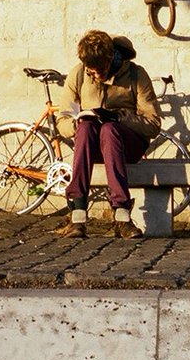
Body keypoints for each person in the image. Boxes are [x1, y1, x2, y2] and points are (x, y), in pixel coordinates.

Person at [54, 31, 161, 238]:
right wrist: (76, 125)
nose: (96, 76)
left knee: (110, 129)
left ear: (112, 58)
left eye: (101, 71)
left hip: (127, 144)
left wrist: (120, 117)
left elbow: (153, 124)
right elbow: (63, 119)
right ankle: (77, 213)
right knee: (86, 128)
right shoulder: (78, 74)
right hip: (91, 143)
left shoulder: (136, 75)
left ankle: (122, 215)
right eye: (91, 72)